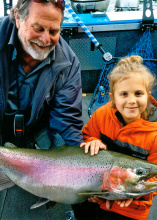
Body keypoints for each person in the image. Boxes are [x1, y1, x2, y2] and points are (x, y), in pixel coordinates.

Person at [0, 0, 83, 219]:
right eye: (38, 28)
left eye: (54, 31)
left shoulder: (69, 64)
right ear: (18, 18)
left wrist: (76, 172)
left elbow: (66, 123)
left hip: (36, 130)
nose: (46, 39)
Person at [72, 55, 157, 220]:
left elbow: (153, 176)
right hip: (96, 195)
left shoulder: (155, 134)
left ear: (147, 95)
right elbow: (86, 136)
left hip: (131, 208)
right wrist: (92, 141)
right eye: (124, 94)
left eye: (138, 93)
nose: (131, 100)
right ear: (112, 98)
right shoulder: (102, 115)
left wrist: (134, 193)